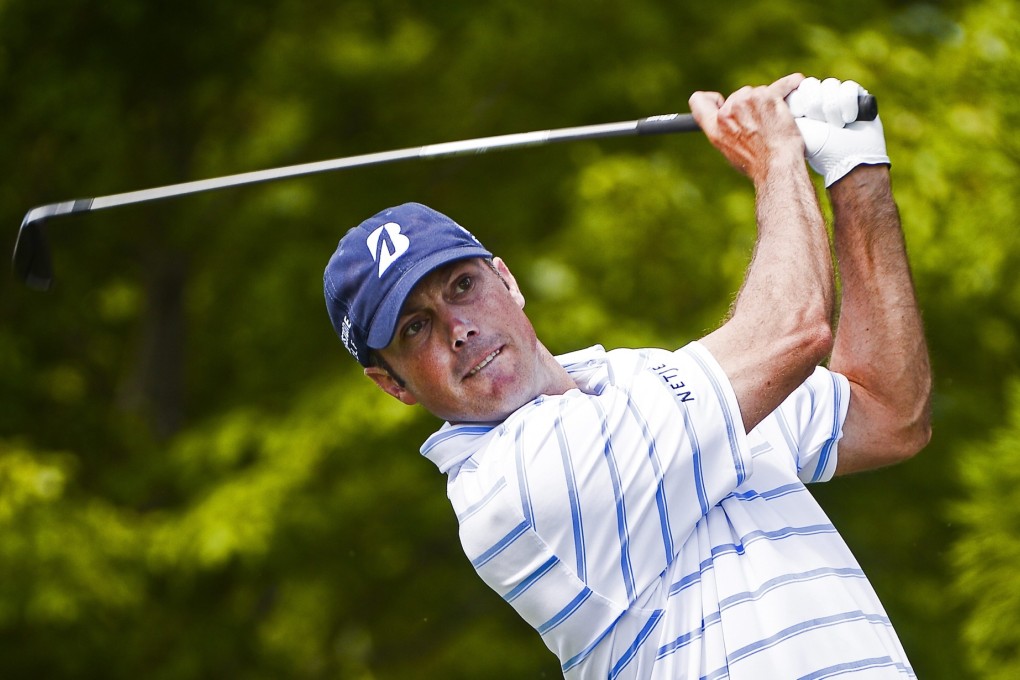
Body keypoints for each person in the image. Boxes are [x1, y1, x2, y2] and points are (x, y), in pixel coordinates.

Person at [323, 74, 932, 678]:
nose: (459, 328)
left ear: (506, 280)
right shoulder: (513, 486)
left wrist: (856, 169)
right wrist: (775, 157)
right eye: (415, 328)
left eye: (463, 286)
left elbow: (887, 414)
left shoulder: (640, 378)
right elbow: (793, 333)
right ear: (393, 384)